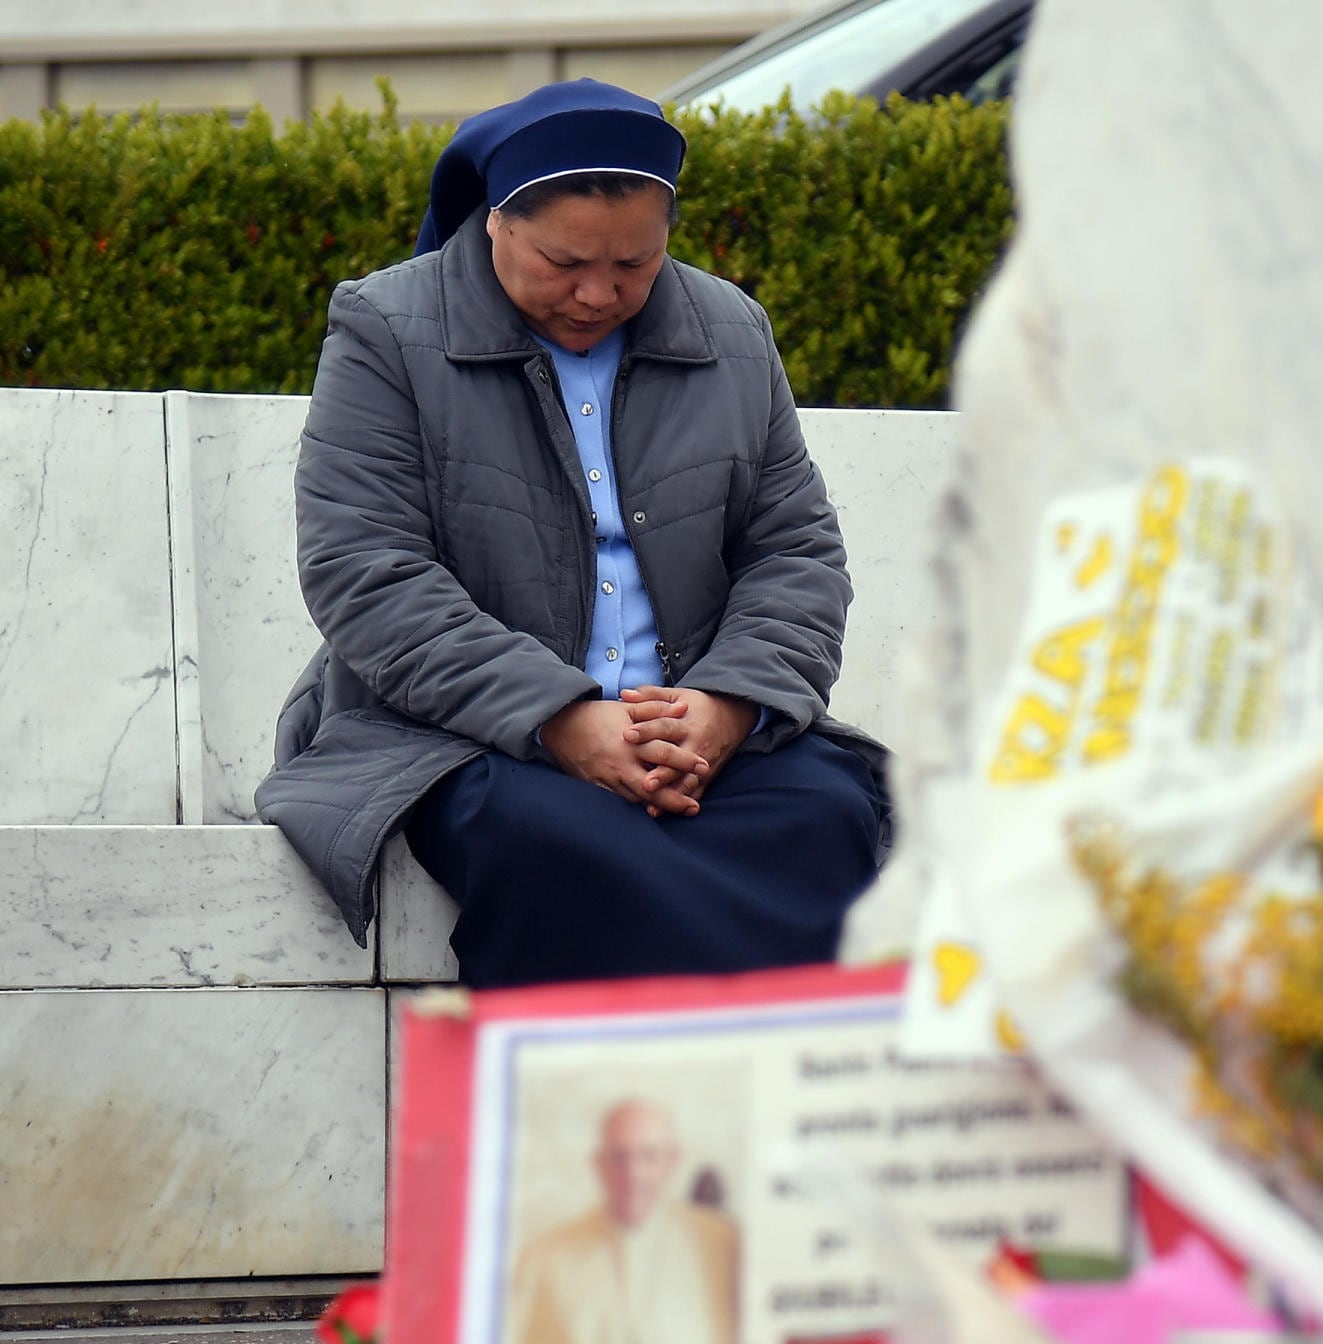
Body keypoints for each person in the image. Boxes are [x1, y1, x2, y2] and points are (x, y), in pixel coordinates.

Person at [257, 79, 889, 988]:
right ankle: (578, 1118)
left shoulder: (733, 333)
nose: (599, 294)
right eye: (563, 262)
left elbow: (795, 554)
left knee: (825, 813)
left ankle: (774, 1111)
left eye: (636, 265)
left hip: (702, 738)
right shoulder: (387, 328)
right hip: (459, 738)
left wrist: (723, 709)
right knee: (556, 844)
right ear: (495, 222)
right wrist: (560, 719)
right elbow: (366, 570)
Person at [506, 1099, 740, 1344]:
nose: (633, 1174)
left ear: (672, 1160)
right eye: (619, 1157)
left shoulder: (723, 1244)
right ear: (598, 1163)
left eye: (649, 1156)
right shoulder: (542, 1259)